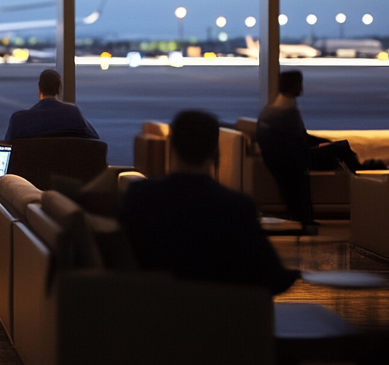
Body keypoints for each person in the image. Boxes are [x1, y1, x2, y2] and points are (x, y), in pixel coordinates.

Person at [120, 110, 300, 295]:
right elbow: (273, 279)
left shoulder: (139, 196)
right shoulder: (236, 207)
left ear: (172, 145)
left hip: (152, 310)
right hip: (217, 316)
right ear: (215, 150)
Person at [255, 70, 360, 234]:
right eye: (299, 83)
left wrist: (323, 142)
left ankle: (361, 178)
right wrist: (320, 146)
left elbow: (297, 137)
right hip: (295, 158)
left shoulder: (277, 105)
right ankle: (364, 183)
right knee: (342, 148)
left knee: (339, 147)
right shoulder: (286, 110)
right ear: (293, 85)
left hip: (287, 157)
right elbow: (299, 141)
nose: (301, 88)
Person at [4, 69, 99, 141]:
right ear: (59, 88)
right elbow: (94, 139)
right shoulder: (73, 114)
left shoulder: (19, 119)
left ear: (39, 88)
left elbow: (8, 145)